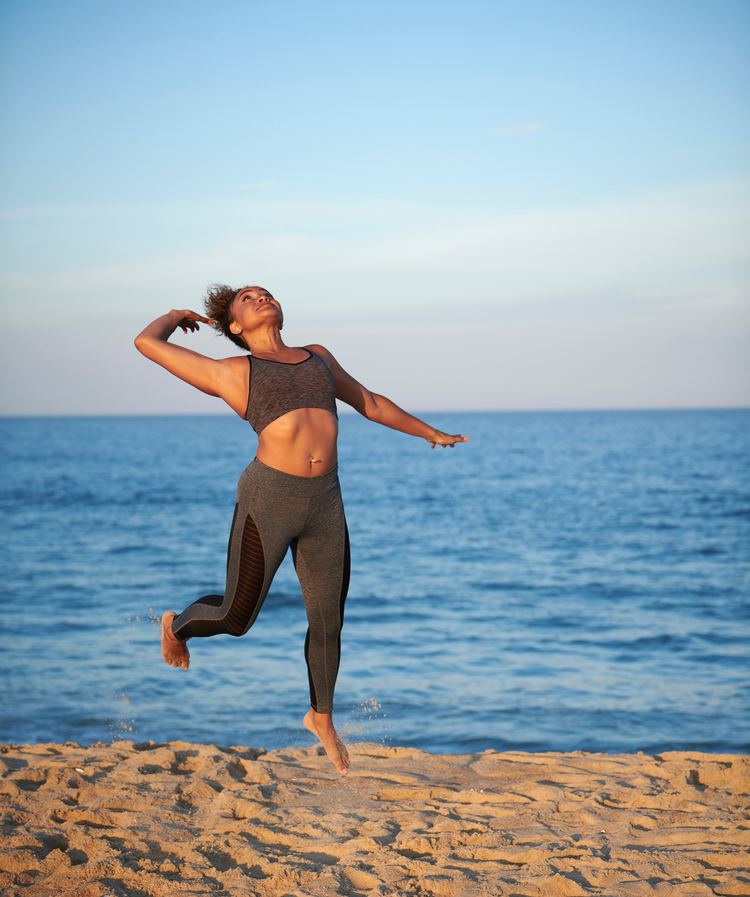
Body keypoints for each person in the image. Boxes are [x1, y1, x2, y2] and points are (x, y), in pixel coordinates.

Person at [134, 285, 468, 774]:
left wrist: (429, 432)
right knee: (237, 616)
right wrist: (173, 315)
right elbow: (146, 343)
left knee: (329, 615)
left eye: (265, 293)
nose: (261, 298)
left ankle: (321, 717)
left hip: (325, 500)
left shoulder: (319, 357)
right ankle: (175, 624)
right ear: (235, 327)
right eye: (248, 299)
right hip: (269, 499)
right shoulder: (233, 371)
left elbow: (370, 402)